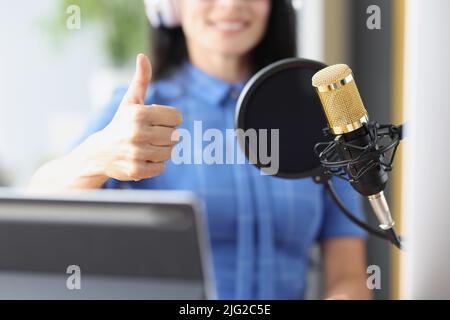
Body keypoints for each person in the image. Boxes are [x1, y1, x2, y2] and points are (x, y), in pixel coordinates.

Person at [29, 0, 371, 300]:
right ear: (169, 5)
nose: (231, 4)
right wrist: (98, 156)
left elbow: (349, 278)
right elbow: (33, 209)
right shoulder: (136, 115)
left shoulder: (316, 117)